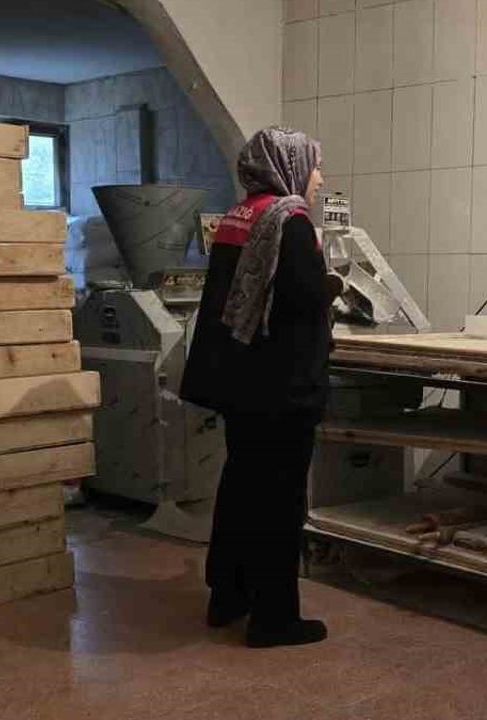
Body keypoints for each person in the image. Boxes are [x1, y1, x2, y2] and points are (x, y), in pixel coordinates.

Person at [182, 126, 339, 649]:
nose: (319, 178)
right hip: (282, 388)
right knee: (280, 502)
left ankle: (227, 596)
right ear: (288, 165)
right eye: (314, 166)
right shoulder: (289, 221)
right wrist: (332, 283)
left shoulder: (239, 215)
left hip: (240, 383)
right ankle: (275, 618)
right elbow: (305, 300)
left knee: (241, 488)